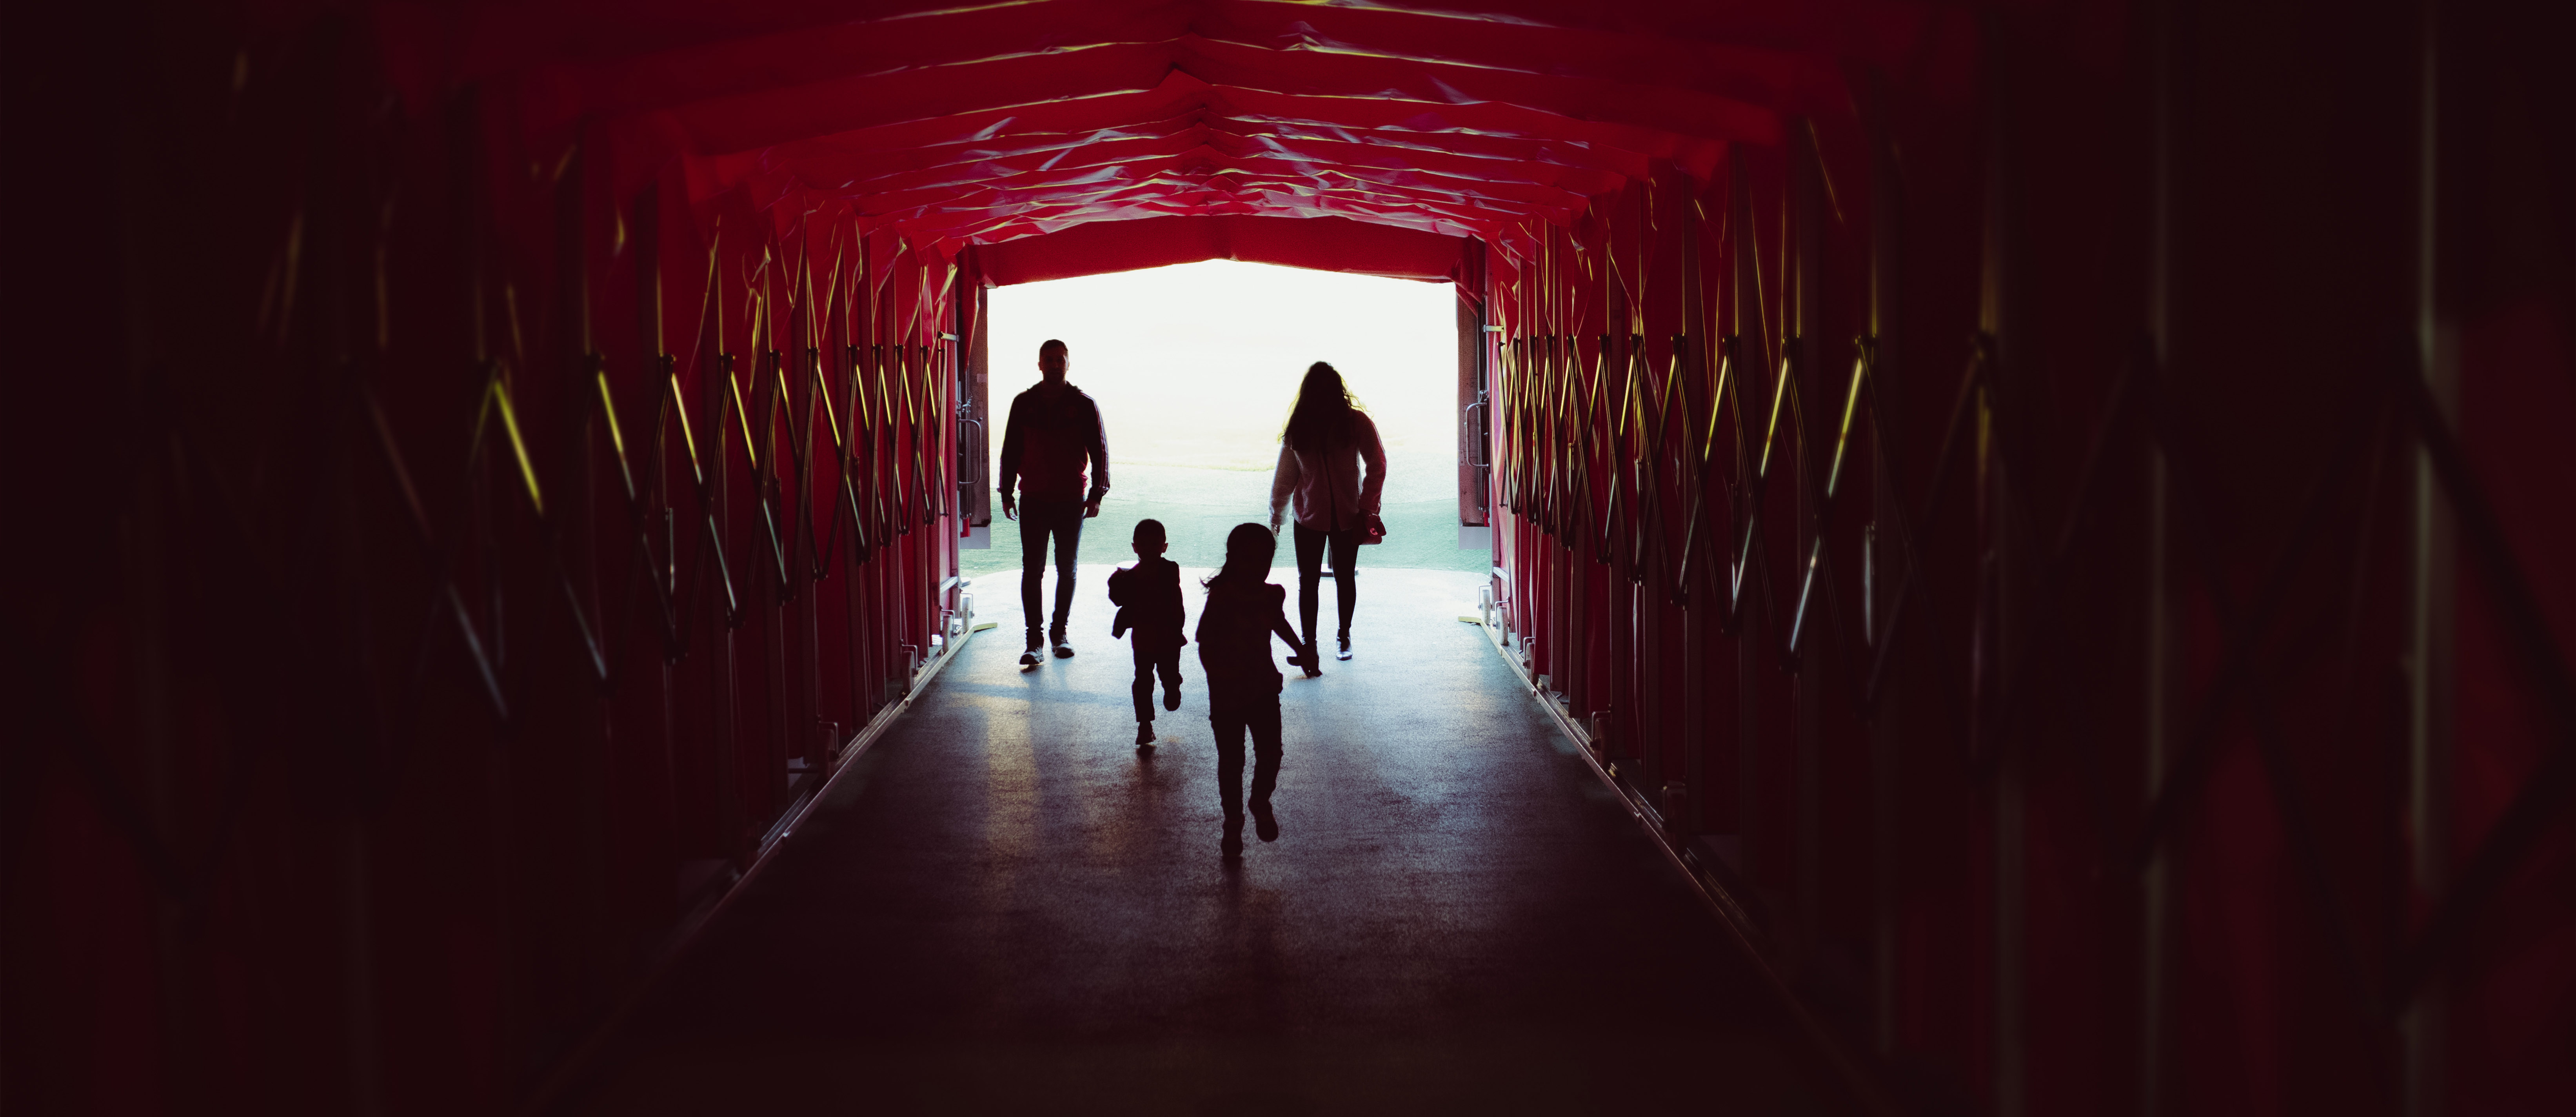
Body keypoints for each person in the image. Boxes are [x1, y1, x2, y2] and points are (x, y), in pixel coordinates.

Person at [1194, 523, 1316, 855]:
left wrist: (1302, 649)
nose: (1259, 567)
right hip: (1228, 698)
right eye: (1251, 559)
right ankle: (1233, 822)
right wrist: (1220, 676)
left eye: (1266, 559)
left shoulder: (1269, 594)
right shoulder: (1223, 597)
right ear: (1233, 559)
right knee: (1232, 762)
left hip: (1262, 689)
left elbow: (1278, 622)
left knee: (1271, 754)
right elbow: (1205, 642)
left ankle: (1259, 800)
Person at [997, 338, 1109, 666]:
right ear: (1040, 364)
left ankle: (1059, 634)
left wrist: (1097, 494)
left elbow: (1101, 451)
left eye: (1061, 359)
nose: (1055, 364)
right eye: (1049, 359)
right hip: (1032, 497)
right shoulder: (1024, 403)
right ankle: (1034, 641)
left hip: (1070, 499)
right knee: (1032, 571)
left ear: (1068, 364)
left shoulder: (1084, 404)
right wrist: (1006, 492)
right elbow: (1010, 449)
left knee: (1067, 569)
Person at [1267, 361, 1386, 669]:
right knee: (1311, 582)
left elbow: (1377, 465)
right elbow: (1286, 476)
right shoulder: (1301, 428)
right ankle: (1311, 646)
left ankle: (1341, 636)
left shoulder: (1355, 424)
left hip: (1347, 516)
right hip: (1310, 516)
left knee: (1340, 579)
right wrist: (1277, 514)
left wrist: (1366, 507)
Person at [1106, 518, 1187, 749]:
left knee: (1166, 675)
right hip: (1144, 640)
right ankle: (1145, 726)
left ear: (1164, 547)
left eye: (1154, 545)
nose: (1149, 550)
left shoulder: (1170, 570)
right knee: (1143, 681)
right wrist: (1117, 583)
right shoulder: (1131, 576)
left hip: (1168, 638)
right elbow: (1119, 600)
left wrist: (1124, 580)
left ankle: (1173, 687)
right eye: (1144, 545)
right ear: (1135, 548)